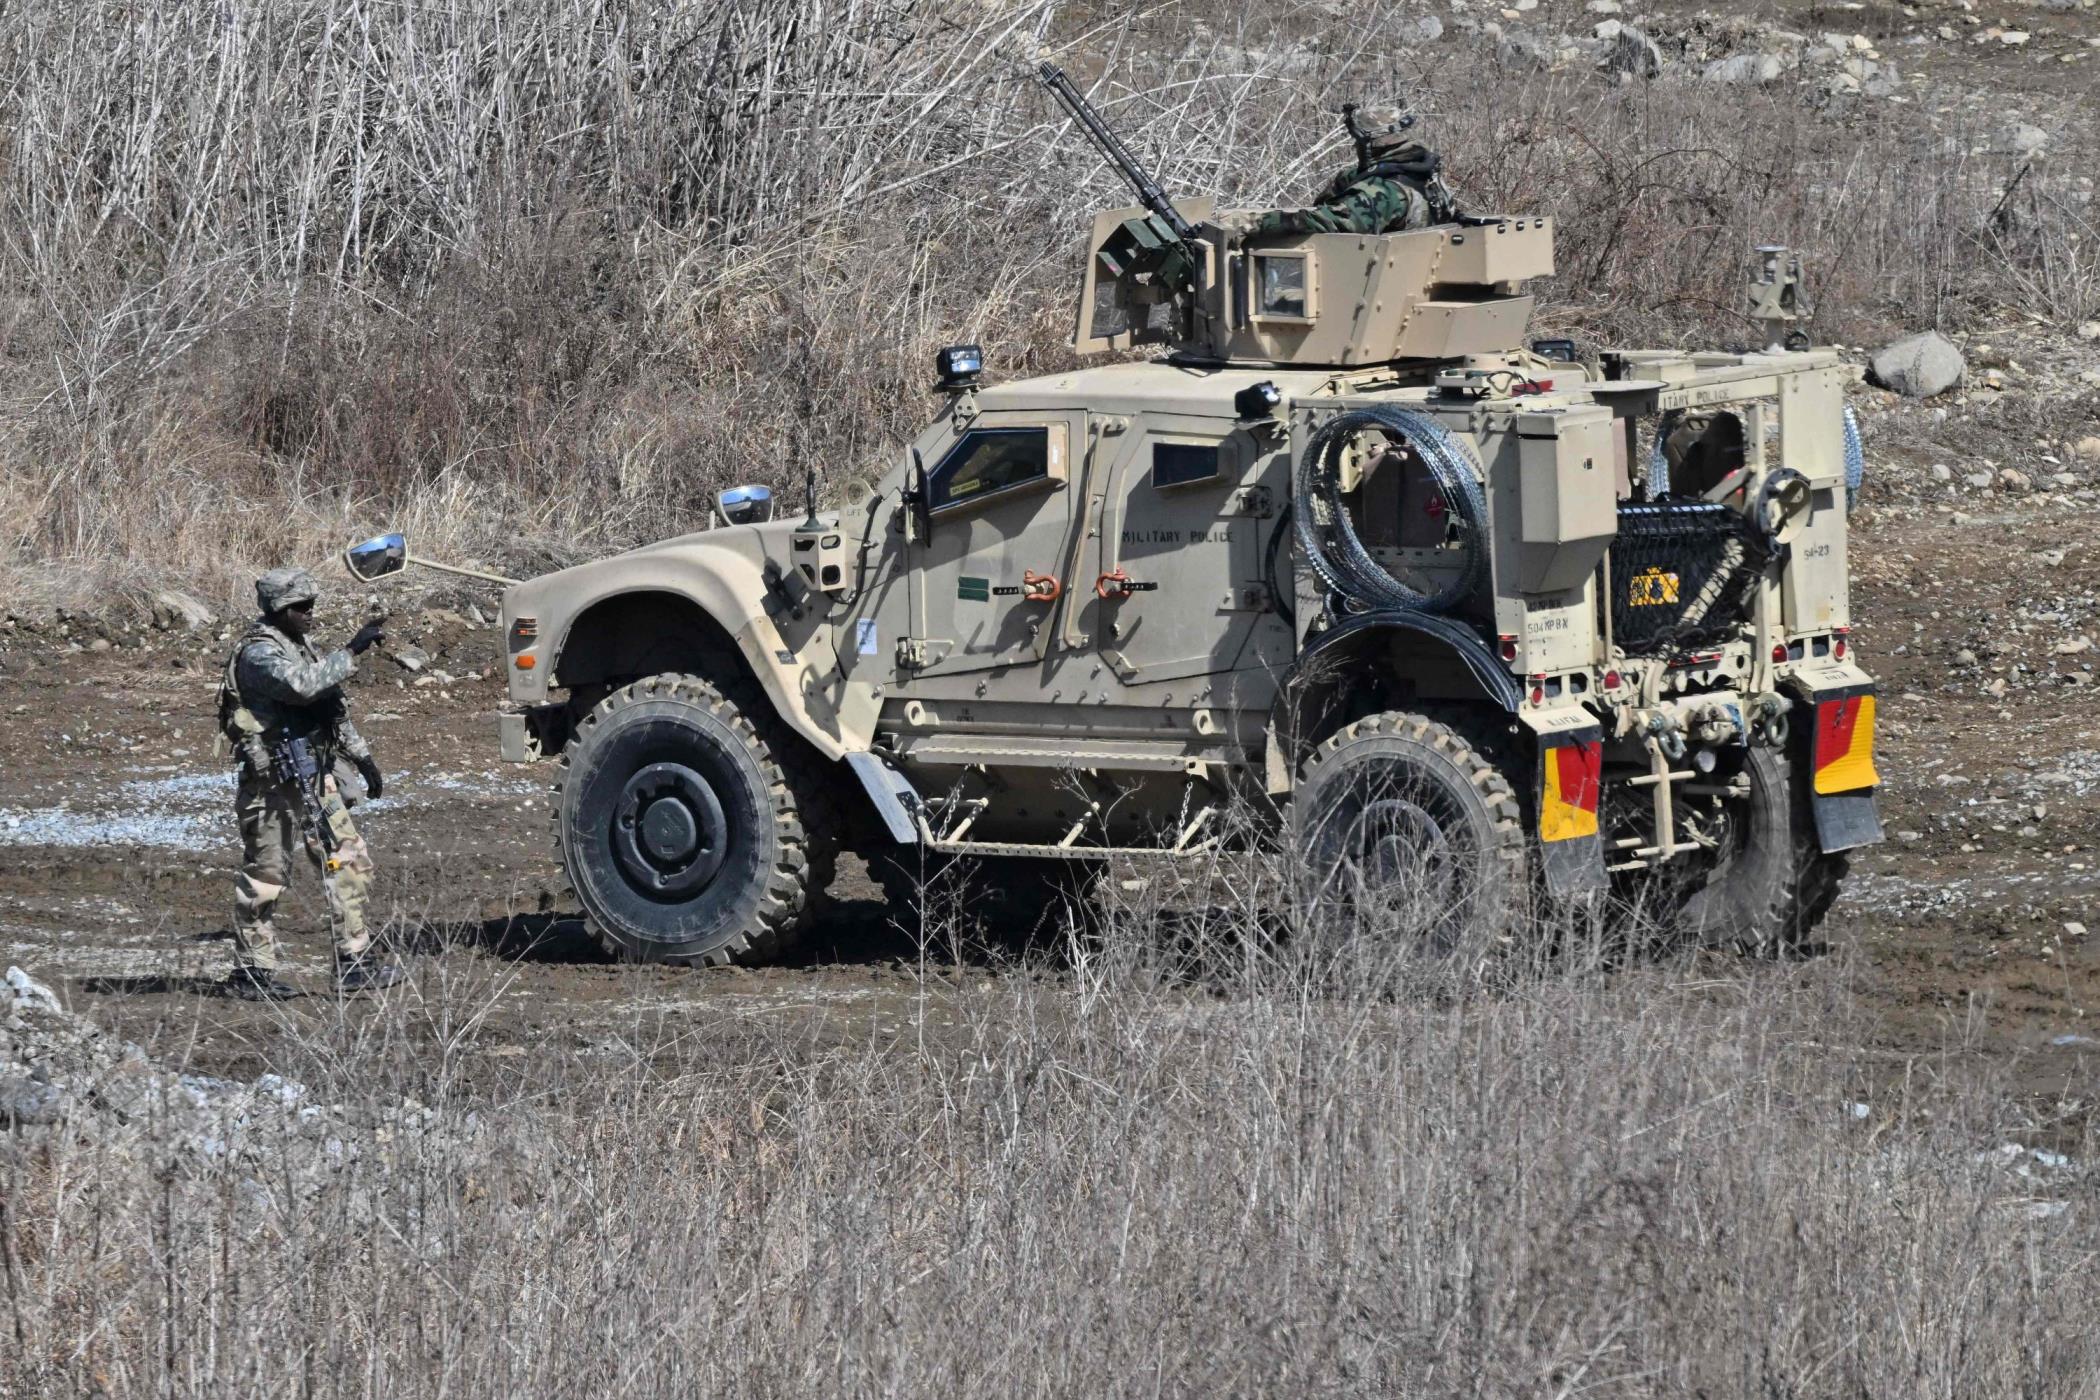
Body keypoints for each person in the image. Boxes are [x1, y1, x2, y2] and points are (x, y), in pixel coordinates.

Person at [216, 567, 401, 999]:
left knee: (349, 861)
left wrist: (362, 756)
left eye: (311, 606)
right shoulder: (259, 654)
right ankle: (252, 972)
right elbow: (303, 687)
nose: (309, 613)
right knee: (266, 874)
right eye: (301, 607)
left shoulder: (298, 644)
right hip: (271, 782)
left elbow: (328, 705)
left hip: (313, 772)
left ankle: (354, 962)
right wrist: (352, 649)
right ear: (279, 610)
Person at [1220, 106, 1455, 240]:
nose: (1356, 148)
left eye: (1359, 142)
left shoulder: (1385, 193)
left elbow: (1329, 222)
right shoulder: (1422, 172)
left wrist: (1253, 223)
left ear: (1375, 143)